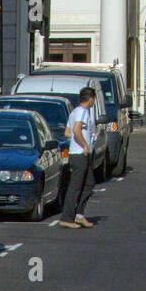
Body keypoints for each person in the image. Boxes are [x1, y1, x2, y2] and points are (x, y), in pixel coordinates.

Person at [59, 87, 97, 230]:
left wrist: (80, 138)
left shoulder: (74, 112)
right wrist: (85, 144)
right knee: (75, 186)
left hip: (76, 153)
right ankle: (67, 218)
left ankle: (79, 215)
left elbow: (67, 133)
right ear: (91, 98)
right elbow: (75, 130)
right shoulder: (82, 112)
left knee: (88, 184)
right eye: (94, 99)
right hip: (80, 154)